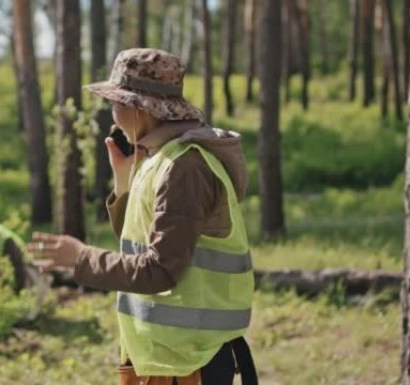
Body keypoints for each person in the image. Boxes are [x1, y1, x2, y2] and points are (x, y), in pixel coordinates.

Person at [27, 48, 258, 385]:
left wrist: (82, 259)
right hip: (167, 359)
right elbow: (140, 241)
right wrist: (124, 185)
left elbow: (161, 269)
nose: (113, 115)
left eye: (115, 103)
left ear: (140, 108)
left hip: (189, 365)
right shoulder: (161, 161)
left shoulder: (184, 168)